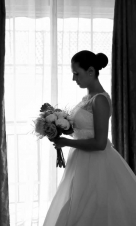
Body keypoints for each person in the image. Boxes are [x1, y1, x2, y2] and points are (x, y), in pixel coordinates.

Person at [43, 50, 136, 226]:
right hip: (80, 161)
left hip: (96, 164)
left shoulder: (99, 100)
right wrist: (61, 128)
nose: (74, 79)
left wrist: (65, 142)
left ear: (91, 71)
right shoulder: (87, 98)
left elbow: (100, 143)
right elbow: (85, 130)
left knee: (91, 213)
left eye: (77, 74)